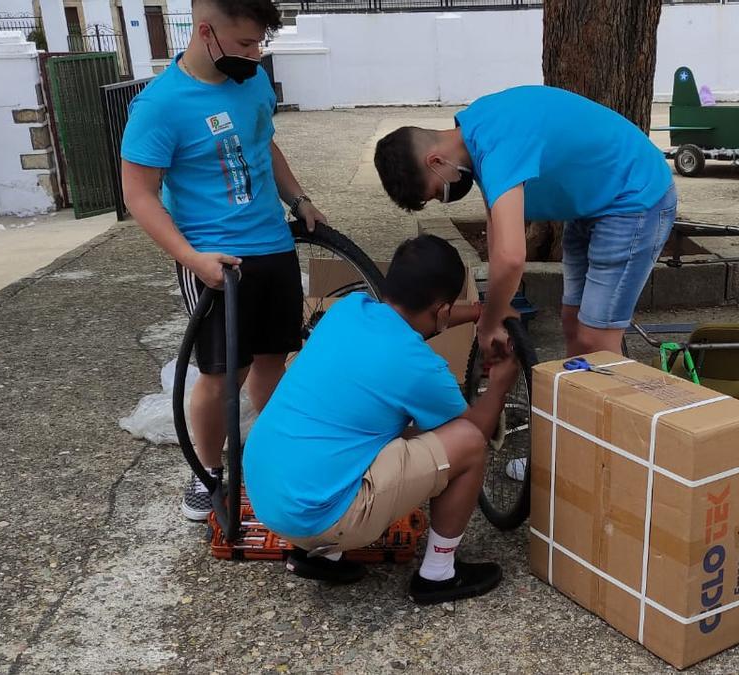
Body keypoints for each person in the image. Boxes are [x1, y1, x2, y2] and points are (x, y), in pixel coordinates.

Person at [121, 0, 327, 521]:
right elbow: (139, 195)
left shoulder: (251, 82)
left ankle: (270, 456)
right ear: (205, 31)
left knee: (272, 359)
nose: (254, 55)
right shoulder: (160, 105)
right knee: (222, 373)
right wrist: (191, 258)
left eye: (260, 43)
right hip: (216, 258)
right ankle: (205, 472)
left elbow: (263, 143)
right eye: (243, 44)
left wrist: (298, 200)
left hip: (274, 248)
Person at [242, 235, 515, 602]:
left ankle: (321, 556)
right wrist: (499, 384)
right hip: (318, 516)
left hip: (267, 490)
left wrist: (479, 315)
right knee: (467, 446)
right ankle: (438, 575)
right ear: (443, 310)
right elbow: (471, 430)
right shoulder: (420, 368)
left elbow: (412, 329)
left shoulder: (349, 310)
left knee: (363, 422)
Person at [373, 85, 677, 364]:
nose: (446, 197)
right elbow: (498, 230)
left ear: (435, 161)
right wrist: (499, 304)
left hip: (634, 197)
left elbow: (511, 257)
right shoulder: (475, 128)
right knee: (572, 322)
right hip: (592, 204)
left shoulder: (497, 147)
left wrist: (489, 322)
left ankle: (623, 419)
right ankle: (577, 412)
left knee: (596, 339)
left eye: (437, 191)